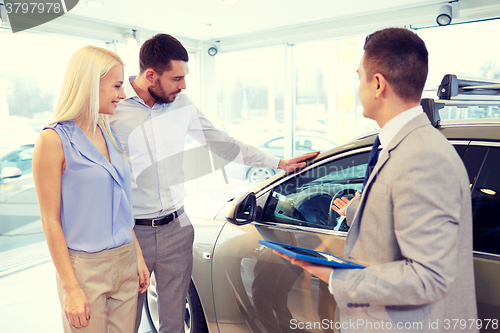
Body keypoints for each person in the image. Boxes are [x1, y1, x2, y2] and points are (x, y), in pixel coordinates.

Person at [109, 33, 320, 333]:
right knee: (125, 320)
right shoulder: (113, 108)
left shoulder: (182, 105)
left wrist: (279, 163)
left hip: (176, 229)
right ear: (151, 75)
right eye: (177, 78)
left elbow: (222, 143)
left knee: (174, 321)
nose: (183, 85)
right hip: (132, 233)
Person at [275, 28, 478, 332]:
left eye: (359, 78)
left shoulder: (423, 157)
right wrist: (357, 210)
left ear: (378, 84)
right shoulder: (403, 145)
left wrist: (333, 274)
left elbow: (428, 279)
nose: (358, 88)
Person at [32, 46, 150, 333]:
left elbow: (121, 204)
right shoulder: (52, 140)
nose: (123, 95)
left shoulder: (108, 132)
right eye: (117, 86)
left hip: (124, 261)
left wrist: (137, 256)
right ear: (89, 83)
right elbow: (50, 221)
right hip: (84, 269)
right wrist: (70, 287)